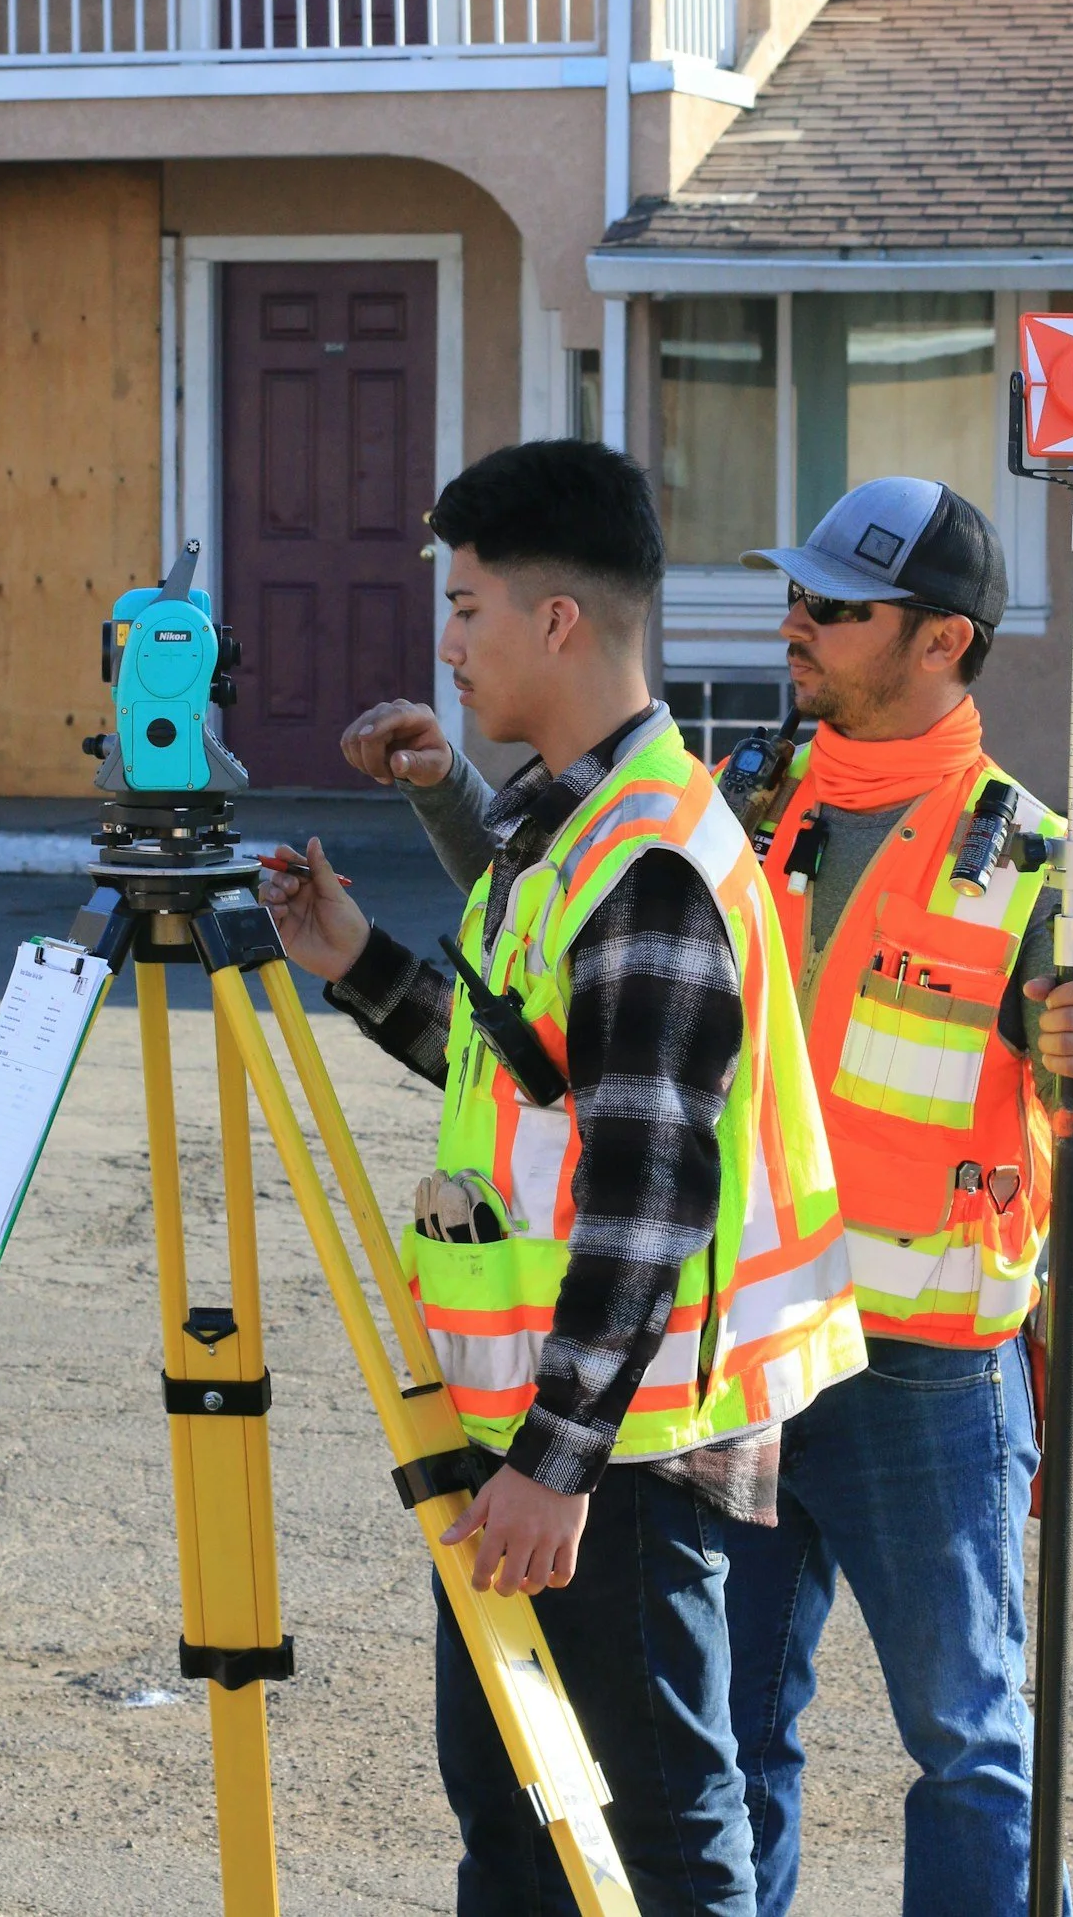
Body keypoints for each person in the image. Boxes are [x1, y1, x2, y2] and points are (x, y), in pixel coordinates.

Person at [342, 474, 1073, 1917]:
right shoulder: (747, 807)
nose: (793, 626)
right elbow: (561, 939)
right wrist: (444, 798)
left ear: (940, 643)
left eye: (834, 610)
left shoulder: (1030, 853)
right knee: (737, 1746)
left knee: (968, 1742)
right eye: (793, 595)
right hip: (761, 1365)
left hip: (931, 1375)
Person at [262, 439, 865, 1917]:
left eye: (466, 607)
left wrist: (555, 1460)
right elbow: (524, 1085)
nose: (445, 643)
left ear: (556, 622)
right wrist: (355, 963)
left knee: (655, 1840)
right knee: (519, 1825)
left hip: (621, 1460)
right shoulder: (567, 828)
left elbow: (646, 1191)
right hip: (542, 1433)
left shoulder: (646, 856)